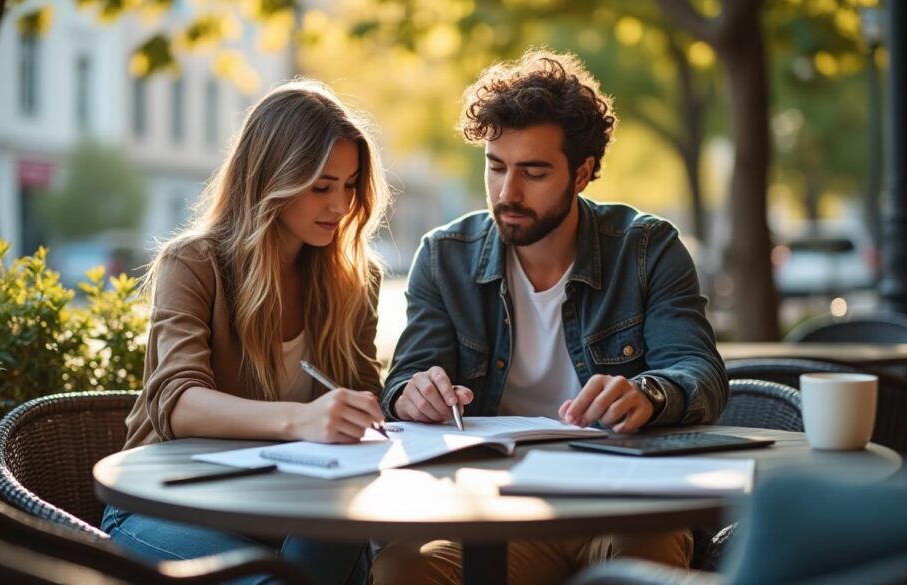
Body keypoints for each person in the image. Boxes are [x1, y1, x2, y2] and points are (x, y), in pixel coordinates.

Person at [371, 50, 728, 585]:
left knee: (642, 558)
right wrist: (412, 393)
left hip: (627, 506)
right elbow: (403, 380)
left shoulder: (647, 248)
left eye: (533, 172)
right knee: (405, 569)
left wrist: (649, 395)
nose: (507, 193)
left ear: (582, 173)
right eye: (496, 167)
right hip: (493, 509)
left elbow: (700, 374)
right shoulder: (445, 256)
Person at [101, 79, 391, 585]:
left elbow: (366, 398)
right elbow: (178, 403)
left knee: (352, 536)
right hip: (173, 503)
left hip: (289, 509)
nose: (340, 205)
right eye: (321, 186)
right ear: (269, 179)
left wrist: (396, 406)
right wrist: (301, 420)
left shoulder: (354, 281)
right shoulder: (193, 265)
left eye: (349, 186)